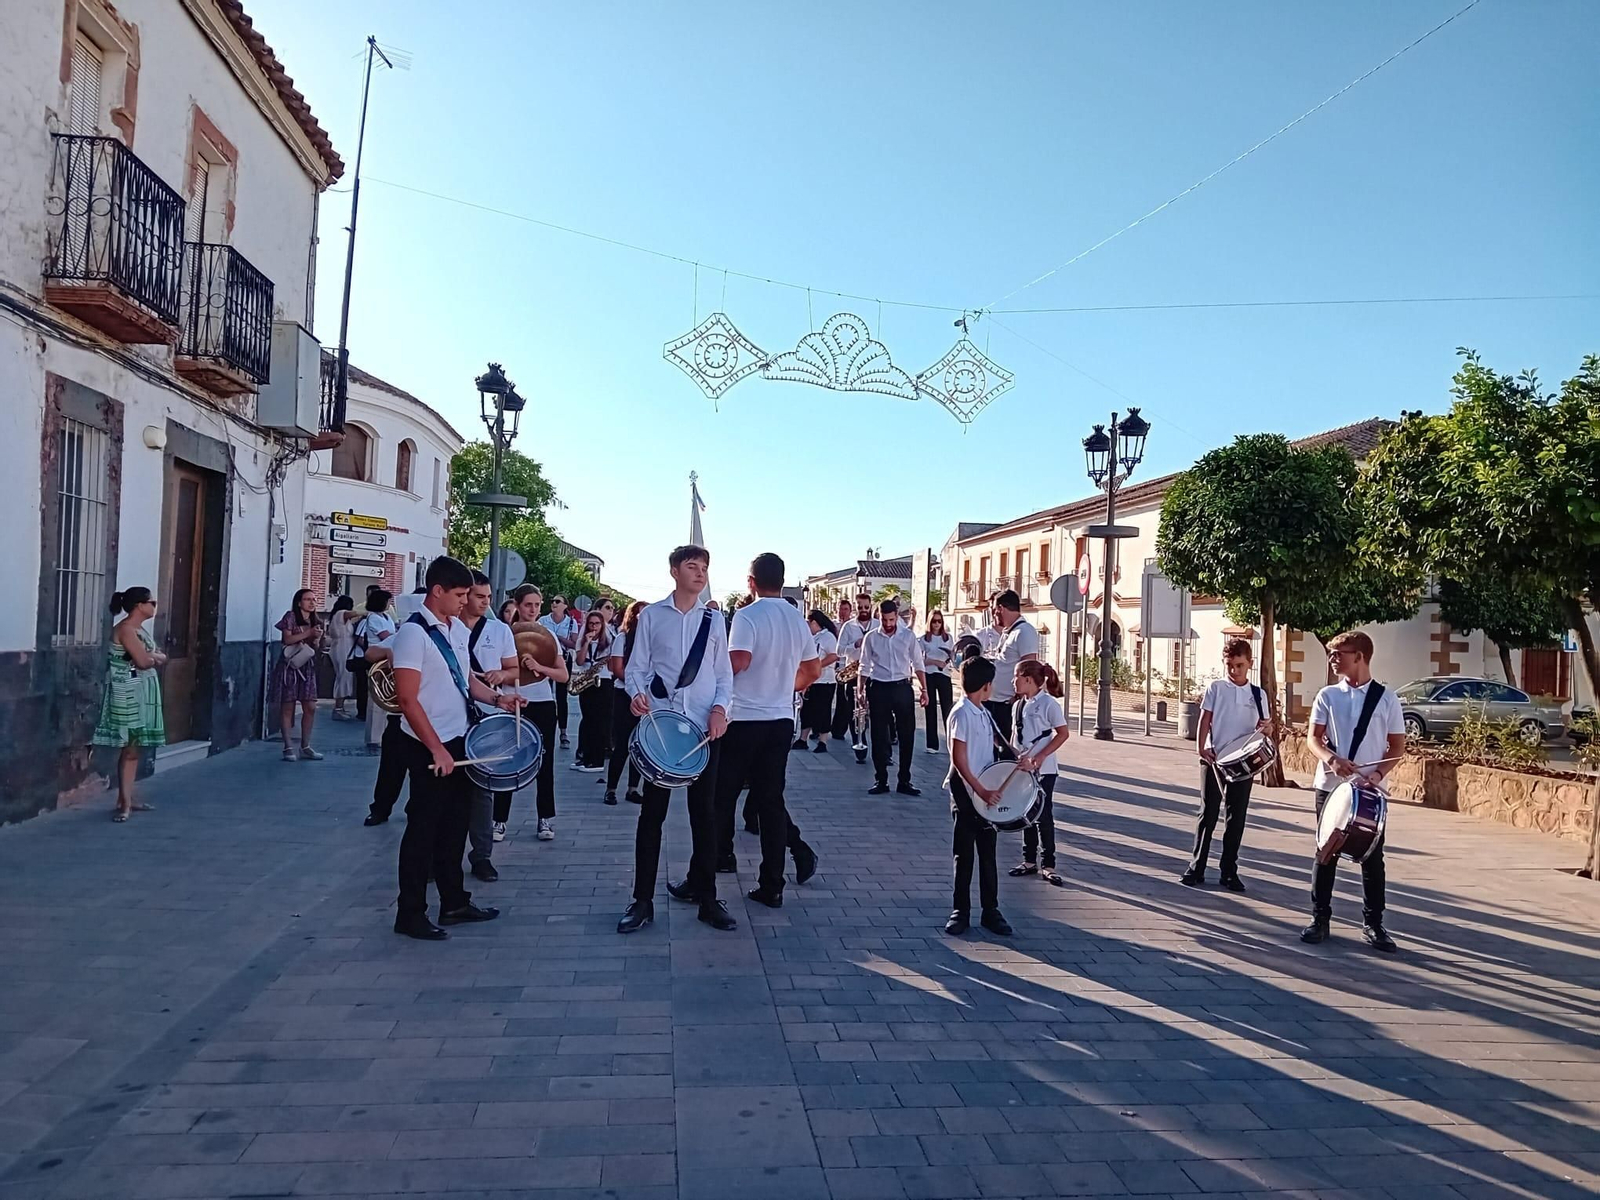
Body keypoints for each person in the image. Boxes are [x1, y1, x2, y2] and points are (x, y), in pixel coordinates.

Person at [389, 555, 523, 940]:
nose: (466, 601)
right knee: (422, 831)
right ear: (437, 591)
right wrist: (437, 750)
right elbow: (408, 700)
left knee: (455, 827)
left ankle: (454, 903)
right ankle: (410, 913)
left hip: (458, 738)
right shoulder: (413, 635)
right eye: (461, 594)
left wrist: (500, 700)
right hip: (427, 744)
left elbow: (467, 682)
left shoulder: (457, 631)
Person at [618, 545, 735, 935]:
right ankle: (642, 900)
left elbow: (724, 675)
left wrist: (721, 709)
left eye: (704, 567)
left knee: (706, 814)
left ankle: (707, 897)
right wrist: (636, 695)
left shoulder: (714, 620)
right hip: (664, 730)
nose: (700, 573)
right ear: (674, 571)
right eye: (692, 566)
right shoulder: (651, 616)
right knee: (652, 815)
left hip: (703, 730)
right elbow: (636, 668)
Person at [693, 553, 820, 907]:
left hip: (745, 717)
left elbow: (740, 661)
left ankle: (722, 856)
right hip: (781, 719)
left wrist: (712, 679)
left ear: (751, 581)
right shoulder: (797, 619)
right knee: (770, 800)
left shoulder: (747, 616)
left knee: (723, 795)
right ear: (782, 580)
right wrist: (782, 686)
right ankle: (772, 884)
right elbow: (811, 671)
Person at [1301, 630, 1407, 952]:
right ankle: (1320, 919)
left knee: (1373, 858)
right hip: (1331, 787)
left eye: (1339, 653)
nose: (1333, 659)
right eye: (1332, 654)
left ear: (1359, 656)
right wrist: (1331, 759)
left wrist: (1376, 775)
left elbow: (1397, 747)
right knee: (1326, 853)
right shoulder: (1328, 695)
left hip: (1370, 791)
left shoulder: (1387, 698)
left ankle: (1374, 924)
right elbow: (1313, 739)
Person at [1182, 638, 1271, 892]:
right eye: (1230, 665)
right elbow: (1205, 718)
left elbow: (1267, 725)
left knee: (1236, 817)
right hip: (1214, 759)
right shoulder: (1216, 688)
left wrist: (1267, 728)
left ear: (1249, 664)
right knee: (1207, 813)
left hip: (1242, 763)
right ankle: (1196, 867)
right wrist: (1201, 747)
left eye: (1239, 665)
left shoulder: (1258, 694)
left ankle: (1229, 871)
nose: (1234, 670)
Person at [943, 655, 1012, 937]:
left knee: (987, 852)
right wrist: (981, 790)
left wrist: (1017, 758)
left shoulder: (982, 711)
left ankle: (990, 911)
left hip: (985, 790)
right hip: (967, 790)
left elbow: (998, 742)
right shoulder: (961, 713)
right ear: (985, 686)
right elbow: (959, 759)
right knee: (964, 853)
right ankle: (960, 911)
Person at [461, 571, 521, 883]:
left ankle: (481, 856)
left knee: (482, 790)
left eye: (488, 597)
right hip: (451, 718)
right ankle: (437, 856)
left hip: (486, 716)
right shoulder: (448, 627)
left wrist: (501, 676)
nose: (486, 602)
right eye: (479, 597)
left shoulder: (499, 631)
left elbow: (514, 670)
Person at [92, 587, 166, 822]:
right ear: (139, 605)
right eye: (151, 602)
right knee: (131, 747)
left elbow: (154, 656)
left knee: (134, 748)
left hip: (139, 690)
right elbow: (144, 661)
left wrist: (153, 656)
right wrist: (155, 657)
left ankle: (126, 797)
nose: (154, 606)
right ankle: (124, 802)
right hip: (128, 692)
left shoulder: (137, 630)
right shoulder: (126, 630)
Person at [512, 583, 566, 841]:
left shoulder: (548, 636)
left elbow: (563, 675)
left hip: (543, 703)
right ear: (518, 605)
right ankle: (499, 820)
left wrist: (540, 668)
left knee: (545, 763)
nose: (533, 610)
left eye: (536, 604)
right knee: (508, 761)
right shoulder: (505, 634)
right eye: (527, 605)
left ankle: (545, 819)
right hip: (513, 702)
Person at [1008, 660, 1070, 885]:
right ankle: (1028, 860)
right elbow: (1018, 737)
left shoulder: (1049, 704)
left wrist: (1041, 757)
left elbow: (1062, 733)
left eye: (1015, 676)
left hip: (1045, 770)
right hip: (1025, 769)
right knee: (1025, 813)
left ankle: (1049, 863)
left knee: (1043, 815)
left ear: (1027, 678)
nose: (1012, 681)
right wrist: (1015, 755)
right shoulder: (1018, 705)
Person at [858, 598, 928, 796]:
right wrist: (860, 690)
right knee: (878, 735)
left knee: (907, 734)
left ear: (897, 617)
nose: (888, 624)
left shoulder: (908, 636)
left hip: (902, 687)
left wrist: (924, 690)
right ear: (879, 617)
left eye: (891, 620)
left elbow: (918, 663)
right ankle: (881, 780)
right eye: (884, 620)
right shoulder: (871, 637)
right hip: (878, 687)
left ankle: (904, 780)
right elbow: (863, 665)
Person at [272, 588, 325, 762]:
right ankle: (287, 747)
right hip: (289, 666)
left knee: (310, 706)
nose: (312, 602)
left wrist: (316, 640)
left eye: (314, 599)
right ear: (299, 602)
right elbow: (287, 639)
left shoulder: (316, 620)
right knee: (288, 706)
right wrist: (308, 633)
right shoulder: (290, 617)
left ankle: (305, 745)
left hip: (306, 666)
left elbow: (315, 648)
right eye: (308, 599)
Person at [605, 600, 648, 805]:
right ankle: (611, 788)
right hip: (624, 694)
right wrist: (635, 686)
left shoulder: (652, 640)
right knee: (622, 744)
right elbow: (617, 668)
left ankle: (633, 788)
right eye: (640, 616)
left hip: (647, 697)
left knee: (640, 745)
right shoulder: (622, 638)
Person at [985, 589, 1038, 740]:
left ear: (1000, 609)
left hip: (1007, 705)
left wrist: (1018, 698)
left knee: (1006, 753)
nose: (994, 615)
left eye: (994, 610)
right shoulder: (1009, 632)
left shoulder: (1024, 632)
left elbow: (1029, 667)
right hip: (995, 702)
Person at [573, 609, 614, 772]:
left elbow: (611, 665)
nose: (594, 627)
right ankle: (586, 758)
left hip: (603, 682)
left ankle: (597, 760)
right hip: (587, 681)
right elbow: (580, 660)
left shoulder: (610, 641)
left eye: (597, 623)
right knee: (588, 720)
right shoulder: (584, 640)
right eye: (591, 624)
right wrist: (586, 643)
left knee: (600, 722)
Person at [831, 592, 874, 742]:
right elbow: (839, 650)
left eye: (866, 607)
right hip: (853, 671)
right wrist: (855, 645)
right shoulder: (848, 627)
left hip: (873, 672)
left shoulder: (877, 625)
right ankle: (858, 742)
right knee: (853, 710)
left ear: (871, 606)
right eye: (860, 607)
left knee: (876, 710)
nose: (863, 609)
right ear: (855, 607)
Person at [359, 590, 398, 753]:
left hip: (388, 658)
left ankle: (380, 734)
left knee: (385, 698)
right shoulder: (373, 618)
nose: (390, 604)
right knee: (375, 699)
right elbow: (386, 636)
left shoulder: (386, 617)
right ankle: (373, 737)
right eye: (388, 601)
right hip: (377, 657)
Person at [795, 610, 839, 753]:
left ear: (814, 622)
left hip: (825, 680)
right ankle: (803, 739)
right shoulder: (811, 638)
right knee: (807, 710)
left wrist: (817, 666)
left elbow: (833, 656)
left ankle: (823, 741)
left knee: (823, 711)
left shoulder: (827, 637)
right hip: (811, 680)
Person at [539, 595, 580, 749]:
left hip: (564, 659)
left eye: (557, 602)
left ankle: (563, 732)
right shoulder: (543, 620)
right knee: (546, 694)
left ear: (565, 606)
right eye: (552, 602)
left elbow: (574, 643)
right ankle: (545, 730)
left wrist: (558, 638)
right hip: (546, 658)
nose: (554, 604)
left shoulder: (571, 622)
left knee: (562, 696)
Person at [921, 610, 955, 754]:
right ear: (930, 622)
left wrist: (947, 660)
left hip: (944, 675)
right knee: (931, 709)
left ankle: (951, 742)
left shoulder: (948, 638)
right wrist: (935, 662)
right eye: (934, 621)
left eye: (939, 621)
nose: (936, 624)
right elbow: (919, 660)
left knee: (947, 708)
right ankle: (932, 744)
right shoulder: (923, 639)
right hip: (929, 675)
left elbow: (953, 656)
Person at [328, 595, 357, 721]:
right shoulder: (341, 614)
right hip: (342, 648)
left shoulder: (336, 616)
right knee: (343, 676)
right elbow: (353, 613)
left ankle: (340, 707)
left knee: (343, 676)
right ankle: (338, 708)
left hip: (342, 647)